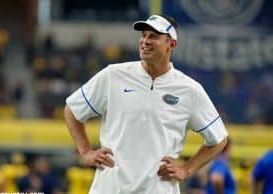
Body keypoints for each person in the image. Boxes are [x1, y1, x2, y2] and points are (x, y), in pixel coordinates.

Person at [64, 14, 228, 194]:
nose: (145, 41)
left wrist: (186, 169)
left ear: (171, 45)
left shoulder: (189, 89)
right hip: (109, 188)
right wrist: (85, 152)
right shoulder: (113, 75)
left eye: (154, 37)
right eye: (143, 35)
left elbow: (219, 139)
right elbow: (72, 110)